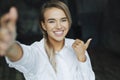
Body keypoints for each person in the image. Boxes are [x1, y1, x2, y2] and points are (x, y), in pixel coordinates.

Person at [0, 1, 95, 80]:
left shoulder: (77, 46)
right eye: (52, 21)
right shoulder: (37, 52)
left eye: (63, 20)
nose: (59, 26)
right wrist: (9, 45)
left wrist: (82, 58)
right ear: (43, 25)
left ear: (69, 22)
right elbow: (23, 56)